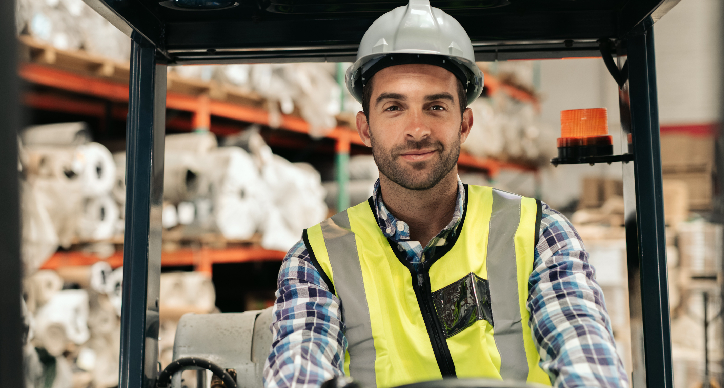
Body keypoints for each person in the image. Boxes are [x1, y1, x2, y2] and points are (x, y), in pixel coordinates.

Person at [262, 1, 628, 387]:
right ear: (365, 128)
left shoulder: (539, 233)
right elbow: (297, 372)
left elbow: (589, 362)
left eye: (436, 106)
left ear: (465, 123)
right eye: (394, 107)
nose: (417, 129)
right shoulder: (317, 259)